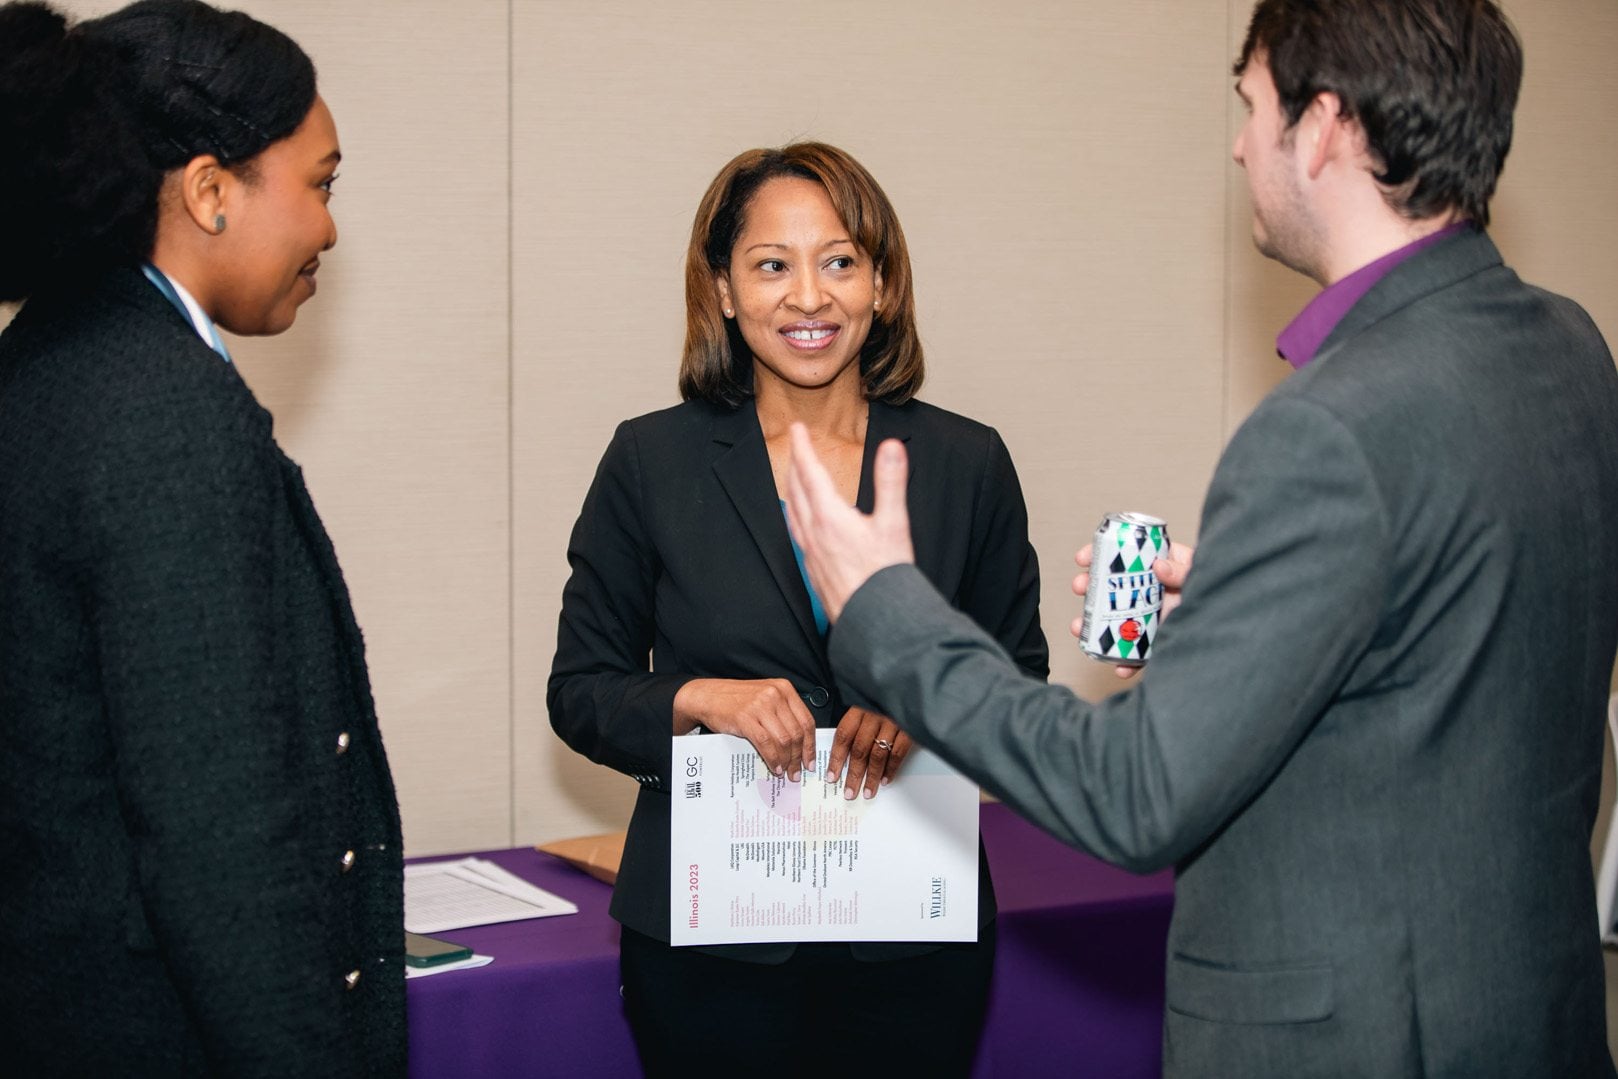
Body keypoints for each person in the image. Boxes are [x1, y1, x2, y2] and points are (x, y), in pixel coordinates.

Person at [783, 1, 1618, 1075]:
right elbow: (1454, 661)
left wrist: (886, 608)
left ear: (1322, 128)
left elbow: (1131, 793)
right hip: (1529, 1015)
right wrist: (1239, 622)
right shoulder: (1567, 346)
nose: (1238, 145)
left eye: (1251, 107)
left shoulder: (1328, 427)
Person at [548, 141, 1047, 1075]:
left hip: (913, 939)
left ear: (882, 285)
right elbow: (580, 690)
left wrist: (927, 710)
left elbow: (1019, 675)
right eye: (772, 265)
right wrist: (700, 698)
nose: (809, 297)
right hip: (710, 951)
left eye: (840, 262)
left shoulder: (967, 462)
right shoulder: (651, 461)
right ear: (724, 290)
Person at [0, 2, 405, 1075]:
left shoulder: (48, 358)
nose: (328, 230)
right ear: (211, 190)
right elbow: (216, 831)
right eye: (320, 185)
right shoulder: (166, 408)